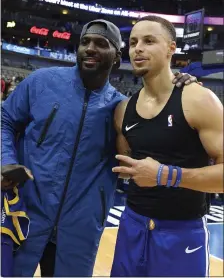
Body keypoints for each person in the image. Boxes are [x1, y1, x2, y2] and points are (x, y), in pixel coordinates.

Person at [1, 19, 198, 277]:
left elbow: (155, 140)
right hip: (27, 214)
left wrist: (180, 89)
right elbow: (5, 120)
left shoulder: (121, 109)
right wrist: (5, 160)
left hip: (80, 229)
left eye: (101, 44)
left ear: (116, 57)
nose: (90, 48)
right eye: (85, 42)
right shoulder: (41, 82)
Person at [111, 15, 223, 277]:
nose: (138, 48)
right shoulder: (122, 110)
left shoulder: (198, 100)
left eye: (149, 41)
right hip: (131, 225)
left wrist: (165, 175)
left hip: (182, 232)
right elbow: (124, 163)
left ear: (171, 48)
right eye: (133, 42)